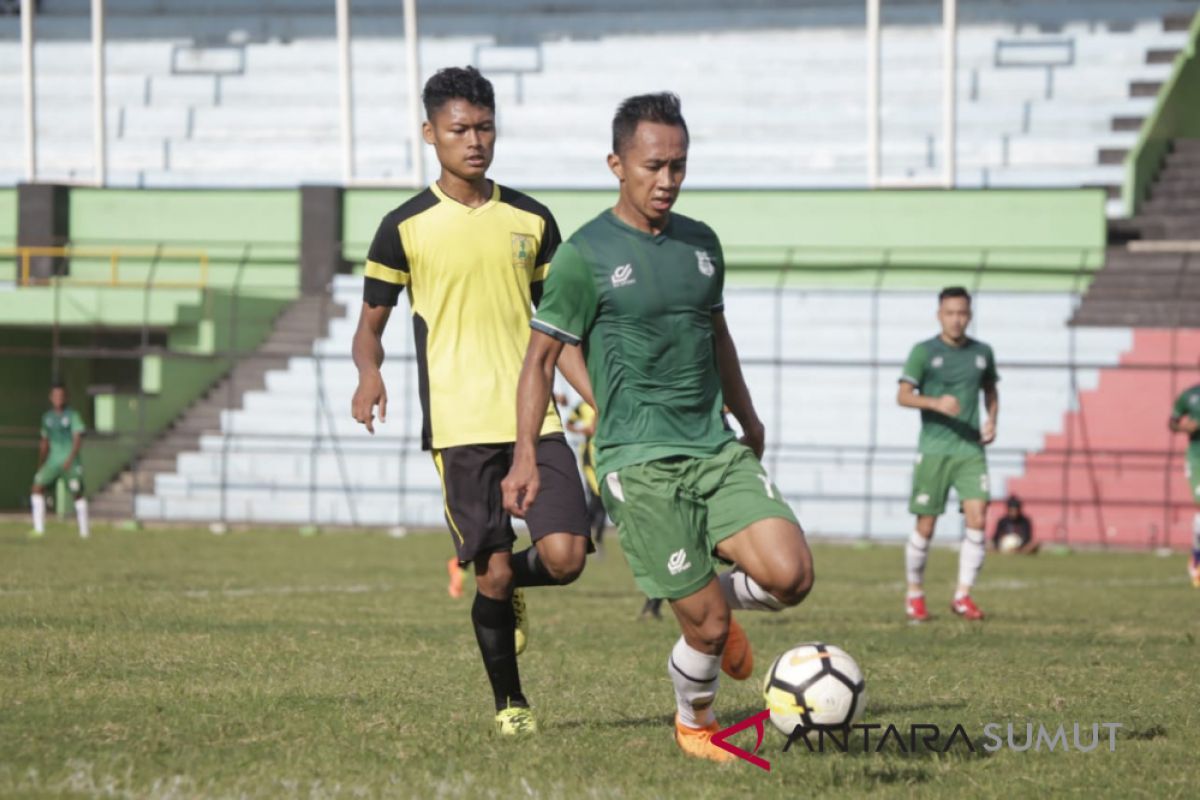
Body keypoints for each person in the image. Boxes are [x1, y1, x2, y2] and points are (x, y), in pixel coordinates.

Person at [502, 92, 814, 762]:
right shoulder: (585, 255)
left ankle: (710, 599)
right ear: (617, 163)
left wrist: (748, 413)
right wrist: (526, 455)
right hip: (637, 460)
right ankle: (695, 723)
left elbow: (718, 332)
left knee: (792, 577)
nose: (666, 180)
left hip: (712, 445)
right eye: (653, 166)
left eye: (678, 165)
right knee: (705, 626)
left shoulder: (702, 243)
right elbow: (540, 359)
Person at [350, 66, 593, 736]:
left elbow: (562, 328)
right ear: (430, 133)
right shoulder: (403, 227)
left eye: (485, 126)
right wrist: (369, 375)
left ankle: (510, 585)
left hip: (534, 420)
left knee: (568, 557)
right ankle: (510, 703)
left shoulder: (533, 219)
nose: (475, 140)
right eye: (460, 128)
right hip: (458, 428)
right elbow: (369, 328)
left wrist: (599, 397)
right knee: (488, 574)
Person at [897, 286, 999, 622]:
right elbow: (903, 396)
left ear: (969, 315)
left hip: (970, 449)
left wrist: (992, 421)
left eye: (962, 313)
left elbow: (990, 389)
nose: (956, 319)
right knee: (926, 525)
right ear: (939, 315)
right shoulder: (924, 352)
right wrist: (935, 402)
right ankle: (915, 593)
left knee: (978, 518)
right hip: (934, 449)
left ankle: (963, 595)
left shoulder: (982, 352)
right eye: (950, 313)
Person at [29, 382, 90, 539]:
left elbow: (77, 439)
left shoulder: (72, 415)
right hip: (52, 461)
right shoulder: (47, 417)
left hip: (69, 461)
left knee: (77, 493)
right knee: (37, 487)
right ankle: (39, 529)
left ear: (66, 397)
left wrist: (70, 459)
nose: (58, 399)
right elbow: (44, 441)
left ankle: (84, 532)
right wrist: (41, 462)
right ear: (51, 397)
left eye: (61, 396)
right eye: (55, 396)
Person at [1168, 378, 1200, 588]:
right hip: (1197, 457)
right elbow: (1172, 421)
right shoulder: (1190, 395)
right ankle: (1197, 560)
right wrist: (1183, 427)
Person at [564, 398, 608, 547]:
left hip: (606, 457)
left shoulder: (604, 402)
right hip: (589, 458)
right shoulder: (582, 406)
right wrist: (583, 429)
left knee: (601, 502)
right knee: (597, 499)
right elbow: (568, 424)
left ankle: (592, 538)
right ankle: (584, 536)